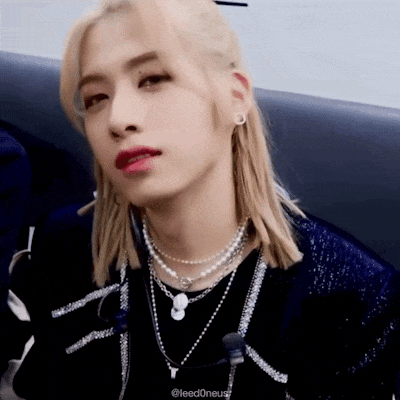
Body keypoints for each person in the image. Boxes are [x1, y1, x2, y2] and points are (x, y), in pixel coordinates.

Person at [9, 0, 400, 399]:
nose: (118, 119)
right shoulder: (69, 251)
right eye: (96, 98)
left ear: (235, 97)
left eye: (153, 79)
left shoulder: (351, 297)